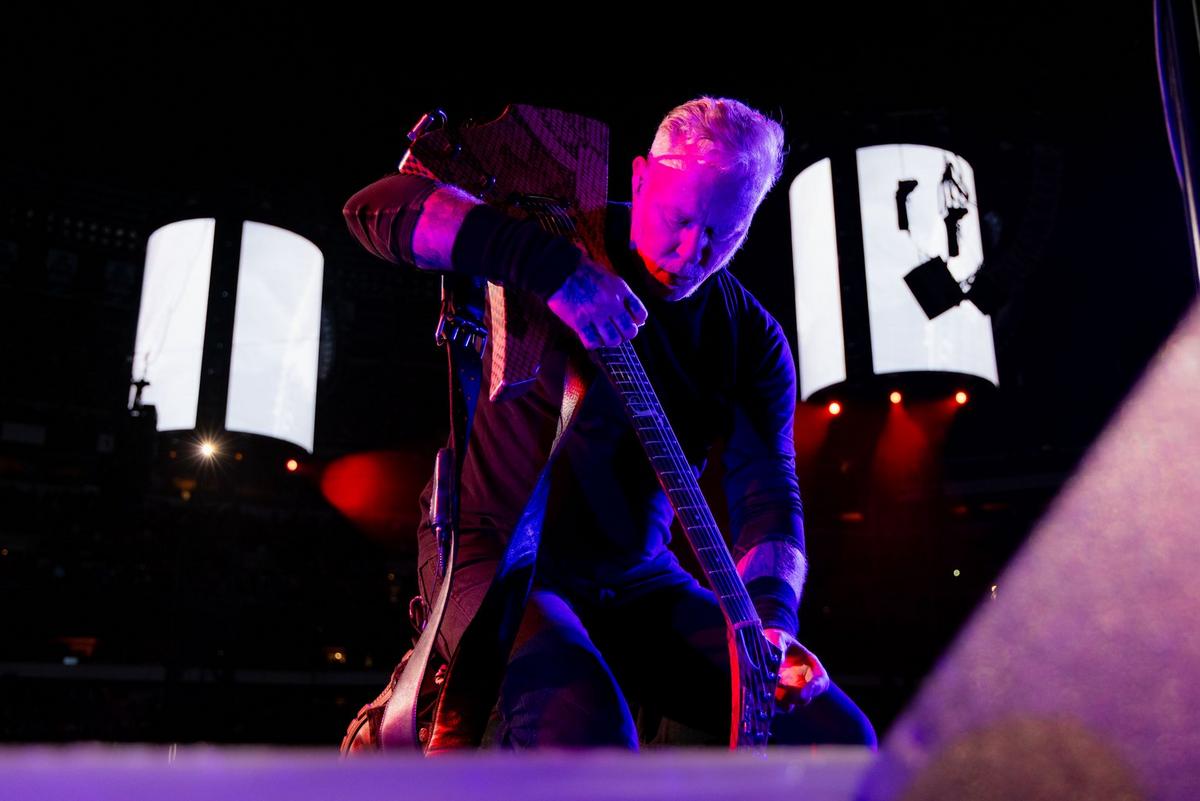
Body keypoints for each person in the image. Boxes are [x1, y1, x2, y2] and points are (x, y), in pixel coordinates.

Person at [343, 97, 876, 749]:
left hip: (635, 580)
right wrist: (553, 272)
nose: (692, 251)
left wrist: (770, 622)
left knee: (837, 738)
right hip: (493, 551)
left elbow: (768, 495)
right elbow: (373, 209)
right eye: (679, 218)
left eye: (724, 232)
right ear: (640, 179)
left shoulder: (751, 340)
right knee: (590, 734)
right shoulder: (557, 229)